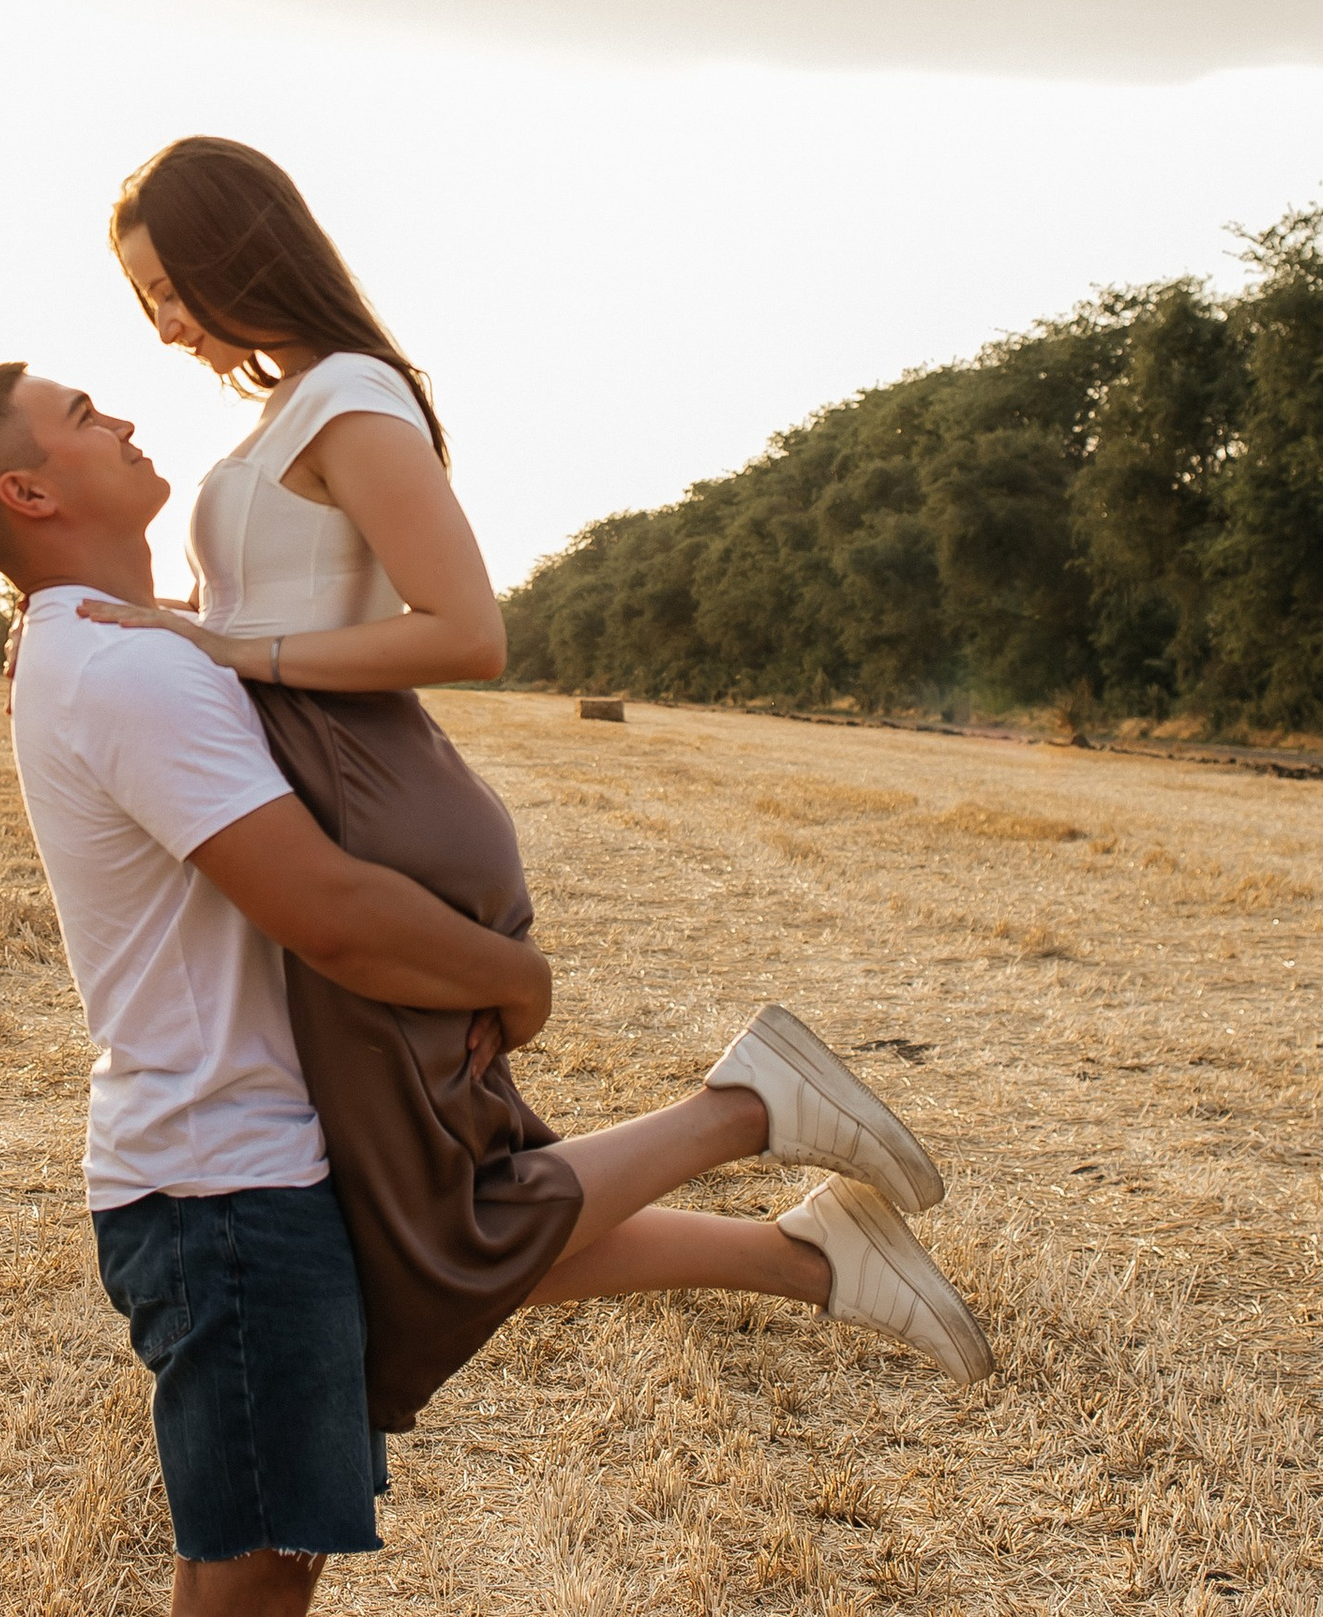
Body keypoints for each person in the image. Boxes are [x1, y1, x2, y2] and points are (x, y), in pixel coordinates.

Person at [0, 349, 981, 1617]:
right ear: (26, 492)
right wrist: (512, 980)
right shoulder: (114, 669)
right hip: (218, 1196)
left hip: (263, 1165)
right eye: (85, 415)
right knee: (235, 1592)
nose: (124, 420)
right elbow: (316, 905)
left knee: (283, 1575)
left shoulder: (129, 643)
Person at [89, 133, 988, 1430]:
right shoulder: (288, 407)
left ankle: (754, 1107)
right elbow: (267, 601)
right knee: (422, 1215)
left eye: (172, 286)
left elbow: (467, 631)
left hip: (369, 802)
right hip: (325, 789)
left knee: (420, 1229)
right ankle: (812, 1257)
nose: (164, 323)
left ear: (242, 248)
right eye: (145, 300)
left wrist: (230, 649)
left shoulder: (349, 396)